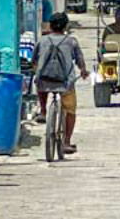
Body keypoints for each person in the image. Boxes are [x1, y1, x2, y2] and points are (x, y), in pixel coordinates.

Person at [33, 13, 89, 154]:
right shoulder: (71, 41)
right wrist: (83, 71)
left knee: (39, 82)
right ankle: (67, 142)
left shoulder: (42, 41)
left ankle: (43, 111)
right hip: (65, 83)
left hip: (45, 81)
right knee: (70, 110)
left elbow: (34, 62)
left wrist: (37, 72)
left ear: (50, 26)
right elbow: (80, 60)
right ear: (65, 26)